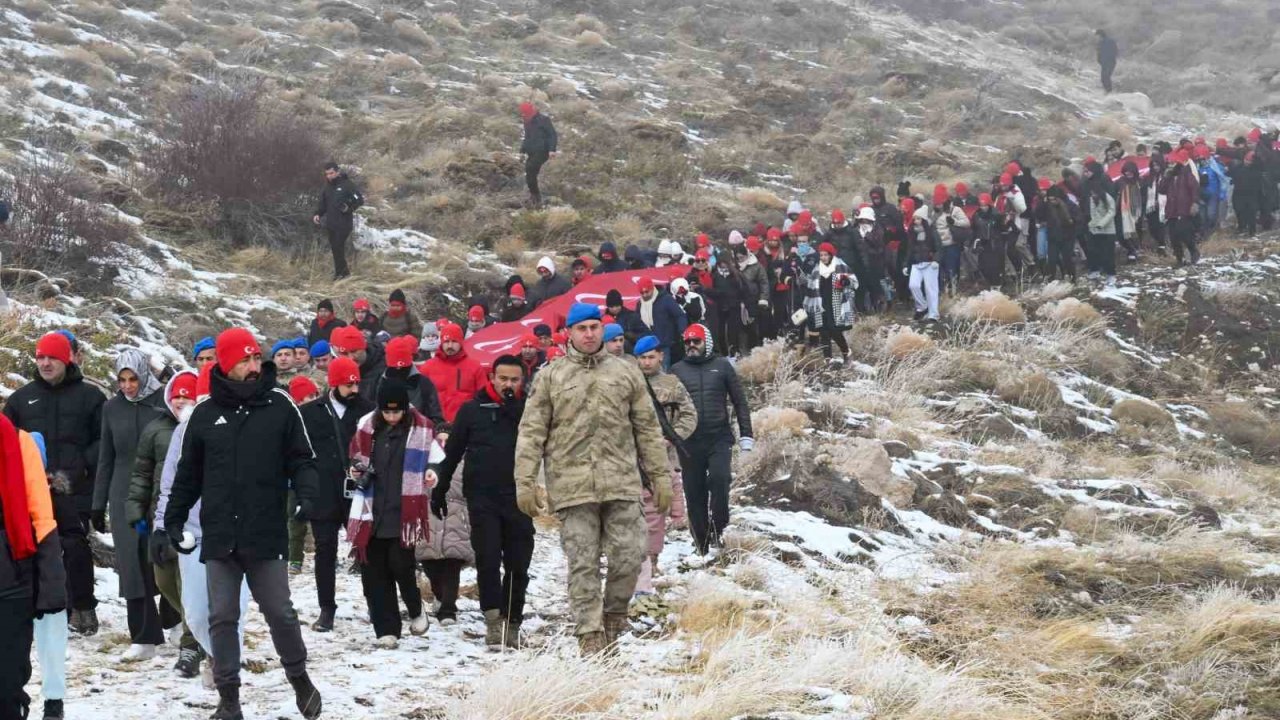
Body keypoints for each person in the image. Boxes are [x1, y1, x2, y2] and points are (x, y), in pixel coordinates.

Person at [164, 329, 323, 720]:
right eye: (245, 361)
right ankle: (229, 699)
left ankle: (300, 678)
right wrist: (172, 519)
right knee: (222, 616)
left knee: (279, 611)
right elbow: (187, 475)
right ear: (225, 364)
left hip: (265, 530)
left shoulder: (281, 406)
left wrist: (308, 495)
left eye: (257, 359)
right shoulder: (203, 415)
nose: (254, 367)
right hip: (219, 533)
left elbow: (302, 459)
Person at [514, 303, 670, 656]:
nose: (588, 333)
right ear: (568, 332)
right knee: (583, 563)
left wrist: (660, 476)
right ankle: (590, 636)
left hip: (622, 481)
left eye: (594, 327)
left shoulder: (626, 373)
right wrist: (524, 481)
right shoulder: (551, 376)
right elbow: (531, 432)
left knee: (630, 556)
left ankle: (614, 618)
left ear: (603, 329)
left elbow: (647, 428)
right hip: (572, 486)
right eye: (581, 328)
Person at [155, 365, 252, 693]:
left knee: (231, 610)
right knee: (196, 612)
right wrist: (160, 527)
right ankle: (215, 653)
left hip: (238, 534)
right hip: (193, 533)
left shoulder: (249, 426)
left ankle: (226, 672)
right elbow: (169, 485)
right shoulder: (185, 432)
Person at [4, 332, 105, 636]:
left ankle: (83, 607)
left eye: (52, 358)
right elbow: (6, 440)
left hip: (76, 486)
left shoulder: (91, 397)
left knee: (75, 546)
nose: (46, 363)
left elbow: (103, 440)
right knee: (37, 548)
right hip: (34, 488)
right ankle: (43, 608)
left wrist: (78, 471)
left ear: (67, 359)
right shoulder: (22, 398)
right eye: (41, 357)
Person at [432, 355, 532, 649]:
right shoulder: (471, 410)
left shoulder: (529, 411)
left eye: (515, 380)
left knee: (518, 563)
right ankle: (492, 619)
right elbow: (452, 453)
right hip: (481, 497)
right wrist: (440, 489)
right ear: (492, 378)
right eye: (503, 379)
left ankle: (513, 621)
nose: (508, 385)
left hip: (519, 497)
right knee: (488, 559)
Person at [346, 381, 440, 647]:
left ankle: (415, 608)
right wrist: (355, 470)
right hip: (371, 512)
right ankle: (385, 630)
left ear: (405, 409)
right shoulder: (367, 428)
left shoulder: (421, 430)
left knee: (401, 567)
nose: (391, 417)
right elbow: (355, 457)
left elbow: (436, 459)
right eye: (386, 412)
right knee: (374, 574)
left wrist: (433, 472)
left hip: (403, 513)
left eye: (396, 412)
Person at [125, 370, 203, 678]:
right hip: (159, 518)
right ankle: (195, 626)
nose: (182, 401)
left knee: (188, 584)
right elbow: (142, 473)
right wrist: (135, 509)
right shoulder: (155, 429)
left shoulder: (202, 428)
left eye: (188, 395)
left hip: (192, 522)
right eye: (178, 395)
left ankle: (191, 645)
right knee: (164, 581)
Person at [93, 348, 168, 661]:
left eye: (133, 378)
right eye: (122, 379)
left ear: (144, 375)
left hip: (159, 489)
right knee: (131, 563)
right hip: (123, 491)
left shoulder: (163, 401)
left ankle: (174, 619)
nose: (127, 385)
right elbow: (105, 457)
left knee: (163, 556)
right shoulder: (112, 408)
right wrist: (98, 504)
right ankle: (143, 636)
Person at [296, 357, 373, 633]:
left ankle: (375, 604)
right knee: (324, 550)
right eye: (348, 384)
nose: (354, 389)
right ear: (334, 384)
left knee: (366, 549)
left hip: (361, 490)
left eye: (356, 383)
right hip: (324, 491)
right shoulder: (309, 412)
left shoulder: (368, 411)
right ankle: (327, 608)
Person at [0, 417, 66, 720]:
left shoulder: (18, 441)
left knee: (7, 679)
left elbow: (41, 514)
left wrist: (50, 581)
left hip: (12, 575)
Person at [670, 324, 752, 556]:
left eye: (696, 341)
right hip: (689, 441)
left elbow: (740, 401)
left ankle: (719, 528)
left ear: (707, 342)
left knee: (720, 478)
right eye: (687, 342)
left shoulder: (722, 366)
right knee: (693, 492)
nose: (692, 346)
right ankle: (702, 545)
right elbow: (666, 407)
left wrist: (746, 434)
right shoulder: (676, 370)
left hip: (719, 437)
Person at [631, 336, 695, 596]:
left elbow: (690, 415)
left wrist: (672, 437)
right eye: (642, 357)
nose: (646, 362)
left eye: (650, 357)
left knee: (657, 513)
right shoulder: (629, 384)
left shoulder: (672, 384)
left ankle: (651, 560)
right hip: (632, 459)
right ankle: (639, 572)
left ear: (660, 356)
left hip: (663, 457)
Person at [418, 323, 487, 424]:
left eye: (454, 341)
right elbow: (420, 400)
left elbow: (483, 399)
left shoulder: (475, 367)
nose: (450, 345)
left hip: (466, 425)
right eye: (446, 341)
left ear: (461, 342)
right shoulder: (427, 368)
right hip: (436, 424)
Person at [373, 336, 446, 425]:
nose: (399, 370)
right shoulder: (380, 383)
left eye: (403, 368)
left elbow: (436, 417)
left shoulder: (424, 384)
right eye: (395, 368)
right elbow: (374, 416)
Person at [802, 243, 856, 361]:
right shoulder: (817, 269)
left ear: (831, 255)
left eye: (826, 255)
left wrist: (845, 281)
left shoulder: (840, 266)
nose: (823, 257)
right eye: (821, 255)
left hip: (836, 302)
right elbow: (810, 286)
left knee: (835, 330)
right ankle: (828, 359)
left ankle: (846, 351)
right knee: (823, 332)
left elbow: (854, 282)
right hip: (821, 303)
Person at [312, 162, 364, 280]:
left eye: (331, 173)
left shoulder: (347, 185)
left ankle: (342, 274)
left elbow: (359, 200)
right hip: (331, 223)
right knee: (336, 249)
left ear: (337, 172)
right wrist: (318, 214)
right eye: (327, 174)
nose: (329, 176)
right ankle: (342, 274)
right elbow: (323, 204)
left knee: (338, 246)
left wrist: (348, 207)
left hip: (344, 223)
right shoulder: (327, 187)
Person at [901, 198, 941, 322]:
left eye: (918, 219)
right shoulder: (912, 232)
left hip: (930, 264)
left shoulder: (932, 232)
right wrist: (906, 265)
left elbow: (939, 247)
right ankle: (922, 306)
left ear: (923, 220)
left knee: (931, 289)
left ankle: (933, 314)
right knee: (913, 285)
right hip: (916, 263)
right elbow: (909, 250)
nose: (916, 221)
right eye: (915, 219)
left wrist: (936, 260)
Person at [635, 277, 688, 368]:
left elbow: (680, 315)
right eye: (642, 293)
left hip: (664, 344)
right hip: (648, 345)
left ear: (652, 289)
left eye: (647, 292)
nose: (644, 295)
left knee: (664, 371)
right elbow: (639, 323)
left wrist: (682, 330)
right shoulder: (640, 304)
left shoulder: (666, 299)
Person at [519, 102, 558, 208]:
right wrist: (522, 150)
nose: (524, 115)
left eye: (525, 113)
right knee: (529, 173)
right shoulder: (526, 121)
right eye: (523, 114)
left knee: (530, 169)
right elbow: (527, 137)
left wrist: (552, 150)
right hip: (531, 151)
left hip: (543, 150)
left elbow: (552, 135)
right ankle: (534, 196)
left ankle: (536, 197)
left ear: (531, 111)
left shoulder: (543, 120)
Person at [331, 326, 386, 400]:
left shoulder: (385, 368)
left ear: (364, 347)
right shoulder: (340, 370)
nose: (351, 358)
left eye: (354, 351)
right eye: (345, 353)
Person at [1086, 180, 1119, 284]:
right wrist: (1092, 225)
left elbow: (1111, 212)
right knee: (1094, 252)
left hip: (1108, 230)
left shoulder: (1108, 198)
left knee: (1108, 254)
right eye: (1091, 193)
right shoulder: (1091, 199)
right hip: (1095, 230)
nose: (1093, 195)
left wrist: (1102, 223)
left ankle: (1111, 274)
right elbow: (1093, 213)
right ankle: (1095, 271)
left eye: (1094, 192)